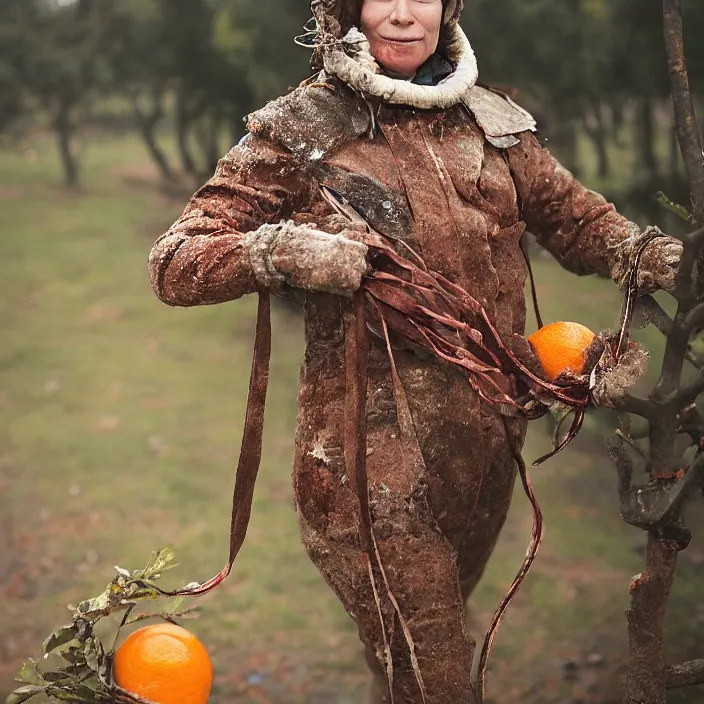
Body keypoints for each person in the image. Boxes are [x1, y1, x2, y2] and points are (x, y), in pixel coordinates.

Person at [148, 1, 681, 701]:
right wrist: (283, 251)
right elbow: (175, 261)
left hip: (487, 455)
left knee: (407, 674)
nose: (402, 14)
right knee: (436, 682)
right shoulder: (303, 127)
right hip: (364, 470)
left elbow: (578, 221)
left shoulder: (491, 122)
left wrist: (651, 255)